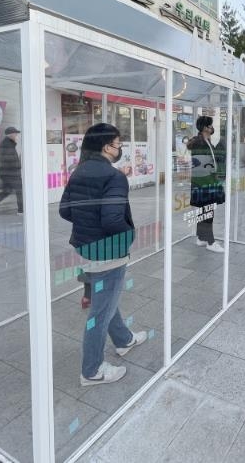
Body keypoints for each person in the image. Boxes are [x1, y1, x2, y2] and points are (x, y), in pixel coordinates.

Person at [59, 123, 146, 386]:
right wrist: (128, 235)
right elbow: (111, 219)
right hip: (108, 250)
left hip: (85, 246)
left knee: (106, 299)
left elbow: (65, 210)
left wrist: (87, 222)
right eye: (119, 144)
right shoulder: (114, 176)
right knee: (100, 311)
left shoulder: (79, 171)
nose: (120, 149)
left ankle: (124, 340)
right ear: (107, 146)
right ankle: (92, 371)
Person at [188, 115, 225, 253]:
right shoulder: (200, 143)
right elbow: (200, 166)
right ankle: (210, 241)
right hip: (204, 183)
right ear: (205, 128)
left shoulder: (206, 141)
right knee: (207, 212)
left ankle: (201, 237)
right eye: (210, 125)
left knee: (204, 211)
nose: (212, 128)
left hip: (207, 182)